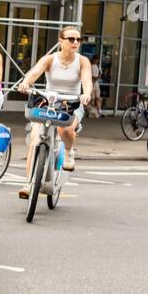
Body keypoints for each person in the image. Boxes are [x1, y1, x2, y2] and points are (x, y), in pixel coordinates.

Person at [15, 25, 92, 198]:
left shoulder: (82, 61)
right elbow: (34, 73)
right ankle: (28, 183)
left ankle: (69, 152)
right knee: (35, 139)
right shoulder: (50, 59)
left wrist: (86, 94)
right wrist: (26, 83)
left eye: (78, 39)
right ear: (61, 41)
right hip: (49, 100)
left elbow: (87, 80)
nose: (75, 42)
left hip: (72, 102)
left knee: (64, 129)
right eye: (71, 39)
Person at [88, 54, 102, 118]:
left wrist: (98, 77)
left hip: (96, 83)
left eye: (97, 60)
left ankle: (99, 111)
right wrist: (95, 77)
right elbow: (90, 76)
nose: (96, 61)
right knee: (92, 98)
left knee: (97, 97)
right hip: (91, 83)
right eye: (95, 60)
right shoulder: (89, 66)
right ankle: (93, 111)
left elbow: (100, 74)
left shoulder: (98, 66)